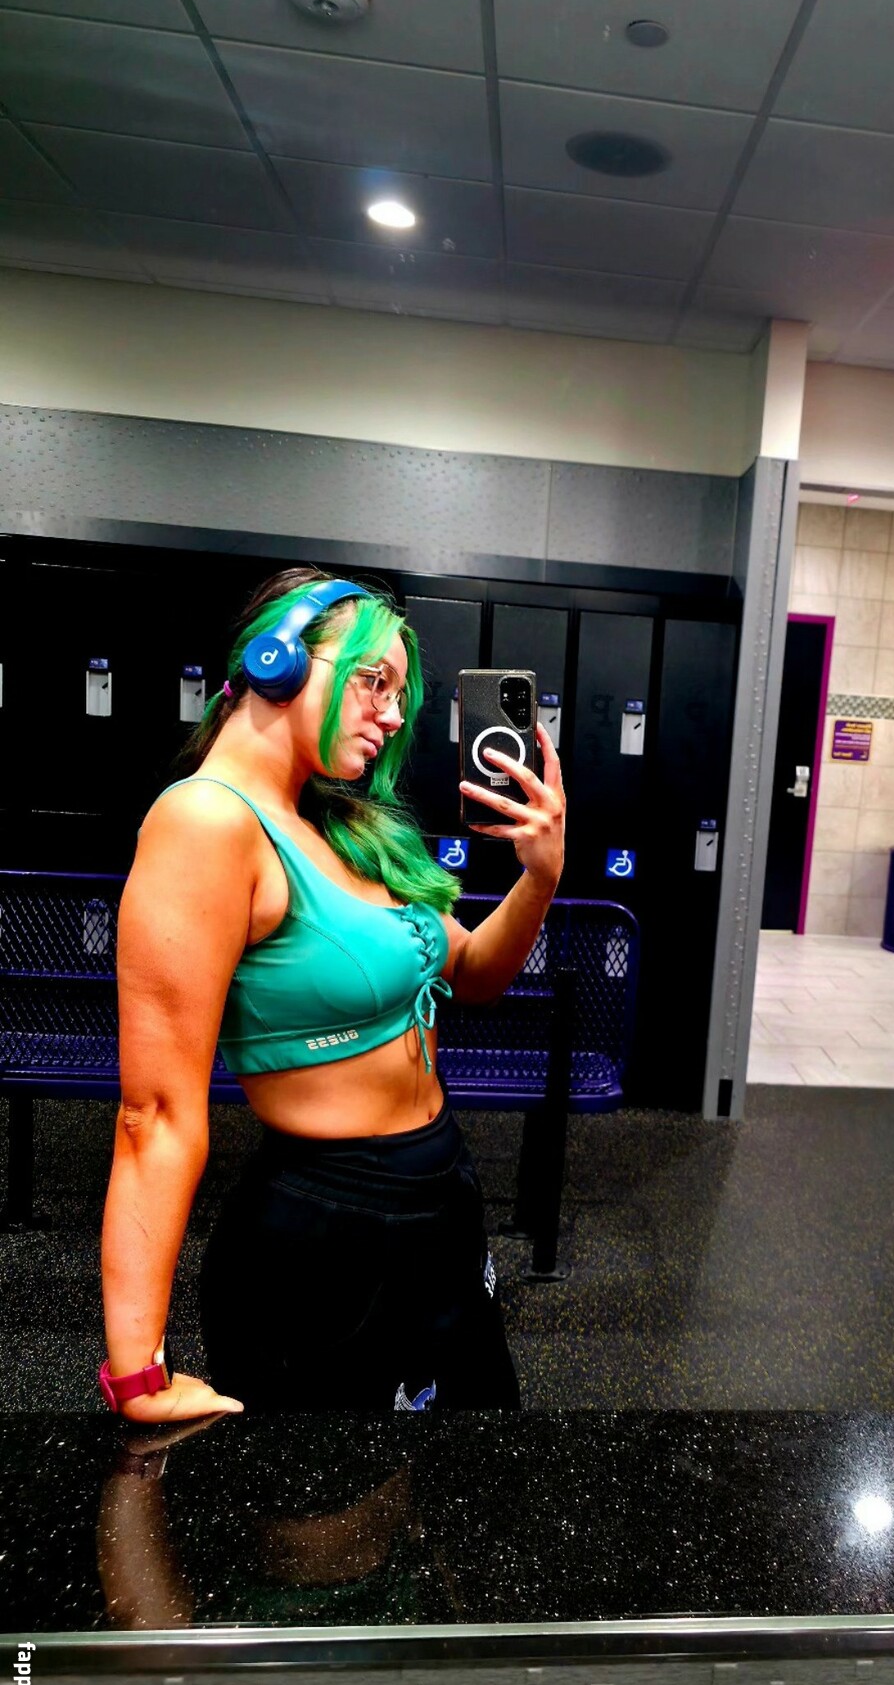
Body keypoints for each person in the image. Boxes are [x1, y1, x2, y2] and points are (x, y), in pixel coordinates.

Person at [99, 567, 565, 1420]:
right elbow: (154, 1115)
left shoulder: (341, 824)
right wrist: (138, 1372)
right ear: (277, 662)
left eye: (400, 694)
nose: (392, 716)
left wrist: (539, 877)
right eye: (373, 681)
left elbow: (473, 972)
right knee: (332, 1500)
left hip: (442, 1192)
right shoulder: (207, 822)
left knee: (470, 1472)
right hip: (327, 1228)